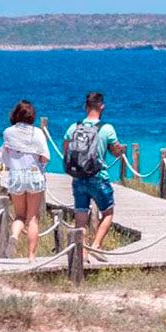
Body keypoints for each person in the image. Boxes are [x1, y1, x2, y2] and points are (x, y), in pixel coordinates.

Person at [63, 91, 125, 263]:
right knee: (108, 212)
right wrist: (121, 149)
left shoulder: (74, 127)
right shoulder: (106, 128)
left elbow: (66, 150)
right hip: (98, 177)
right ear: (102, 106)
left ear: (85, 106)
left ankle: (81, 253)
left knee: (81, 215)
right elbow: (114, 152)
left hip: (78, 177)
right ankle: (96, 246)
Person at [0, 99, 50, 261]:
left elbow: (6, 156)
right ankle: (31, 256)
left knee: (20, 215)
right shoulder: (38, 133)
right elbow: (44, 157)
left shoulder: (8, 132)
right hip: (34, 175)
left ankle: (14, 235)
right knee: (33, 217)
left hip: (16, 176)